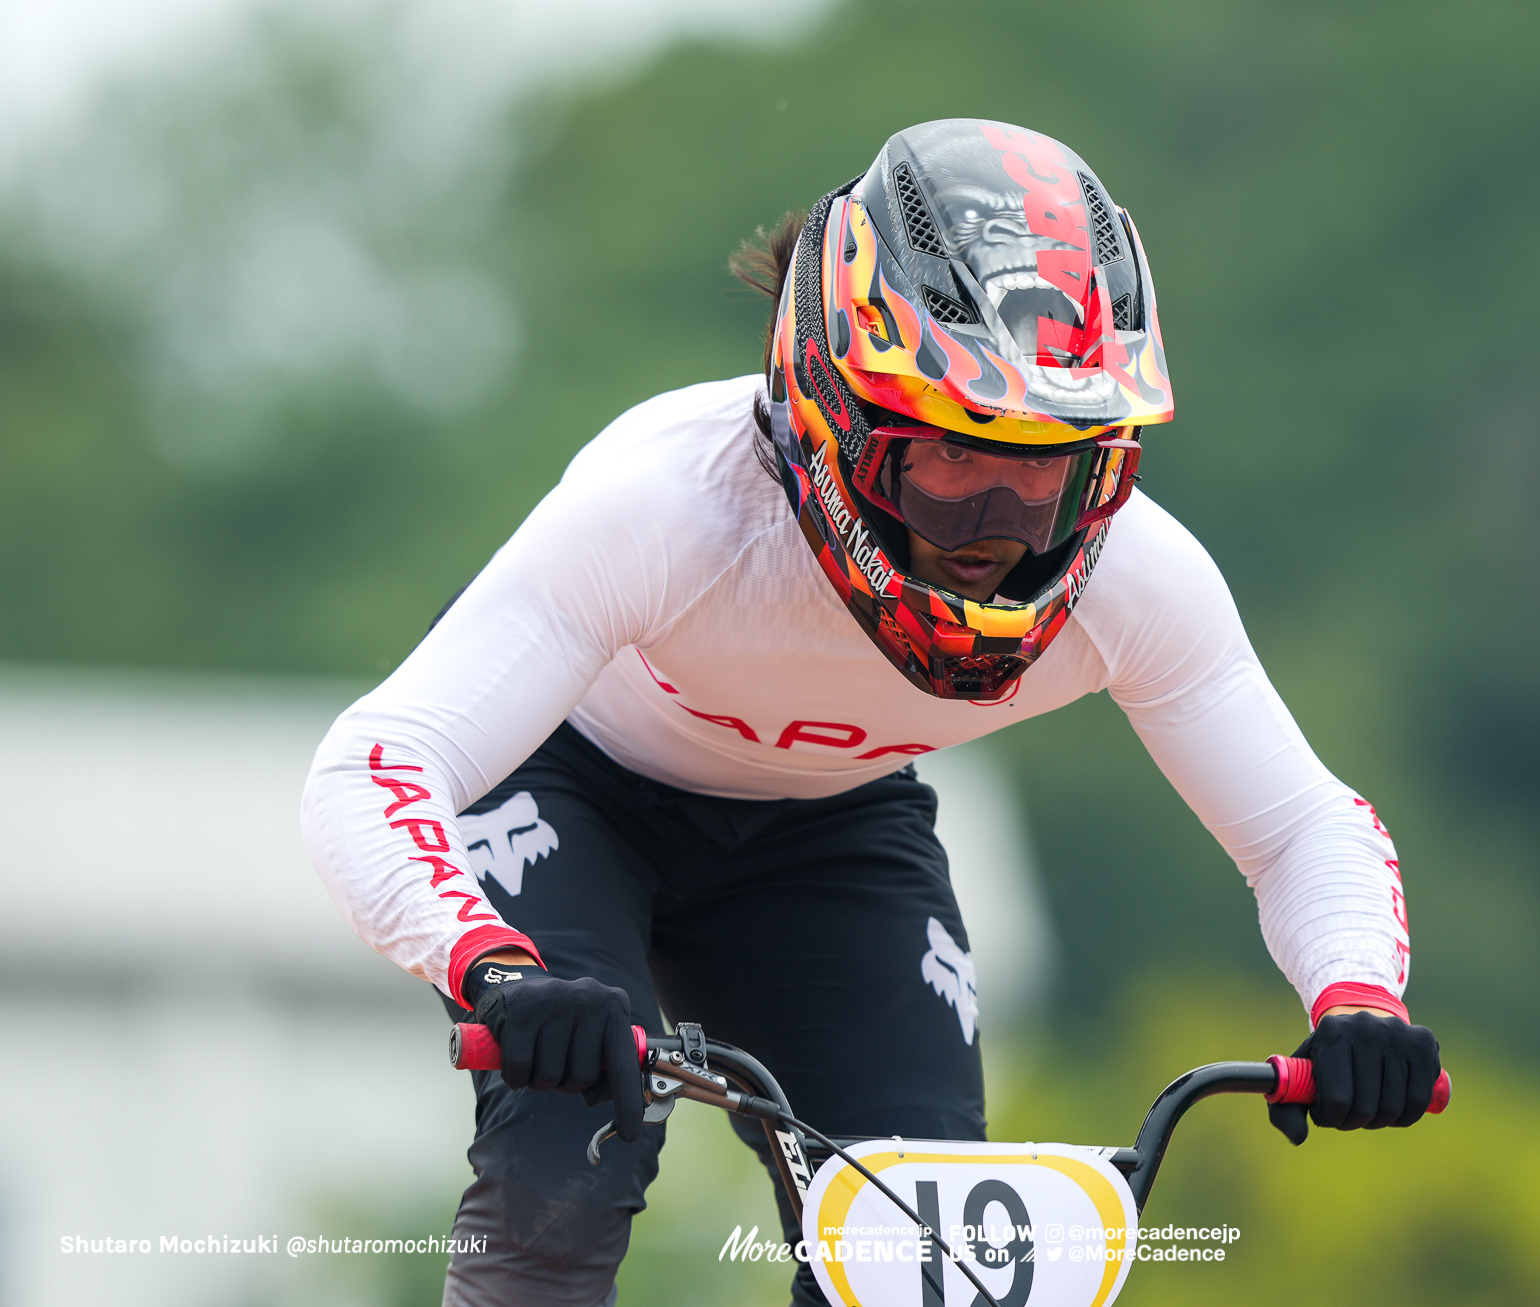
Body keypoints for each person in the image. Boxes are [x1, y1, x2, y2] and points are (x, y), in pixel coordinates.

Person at [301, 118, 1439, 1307]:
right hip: (568, 782)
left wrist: (1356, 995)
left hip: (825, 827)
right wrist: (492, 968)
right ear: (831, 405)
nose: (999, 538)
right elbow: (373, 762)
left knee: (924, 1242)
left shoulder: (1139, 578)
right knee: (573, 1151)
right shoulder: (662, 504)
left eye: (1049, 464)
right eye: (952, 457)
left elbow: (1303, 825)